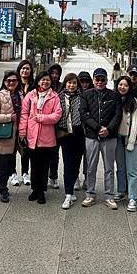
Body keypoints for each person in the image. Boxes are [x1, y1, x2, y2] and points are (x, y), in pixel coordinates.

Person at [79, 67, 122, 210]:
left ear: (106, 80)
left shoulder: (114, 95)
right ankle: (90, 194)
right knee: (91, 167)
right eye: (97, 79)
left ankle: (109, 196)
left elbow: (118, 115)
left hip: (109, 137)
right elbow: (84, 114)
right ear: (93, 80)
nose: (99, 82)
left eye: (102, 79)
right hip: (92, 136)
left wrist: (108, 129)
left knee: (109, 167)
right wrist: (97, 128)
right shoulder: (86, 94)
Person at [19, 71, 62, 205]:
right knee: (34, 164)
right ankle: (34, 189)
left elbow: (57, 115)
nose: (45, 82)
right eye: (42, 80)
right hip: (32, 135)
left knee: (44, 166)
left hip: (47, 137)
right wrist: (22, 132)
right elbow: (24, 114)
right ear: (38, 81)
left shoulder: (54, 97)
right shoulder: (30, 96)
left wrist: (42, 118)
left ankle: (42, 190)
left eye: (47, 80)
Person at [0, 70, 21, 203]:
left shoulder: (21, 96)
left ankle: (4, 184)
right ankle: (3, 189)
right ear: (4, 82)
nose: (11, 83)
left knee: (10, 164)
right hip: (3, 135)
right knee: (2, 164)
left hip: (17, 135)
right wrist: (8, 117)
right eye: (9, 81)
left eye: (14, 80)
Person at [57, 73, 85, 209]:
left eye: (74, 83)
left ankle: (72, 186)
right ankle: (68, 194)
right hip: (65, 133)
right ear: (65, 83)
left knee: (76, 162)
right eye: (69, 82)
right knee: (68, 163)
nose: (71, 85)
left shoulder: (83, 96)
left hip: (79, 133)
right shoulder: (59, 96)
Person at [114, 76, 137, 212]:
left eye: (125, 85)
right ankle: (121, 190)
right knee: (120, 168)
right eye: (120, 85)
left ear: (130, 87)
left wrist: (132, 140)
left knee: (132, 170)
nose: (122, 87)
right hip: (117, 138)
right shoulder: (114, 99)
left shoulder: (135, 102)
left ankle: (132, 197)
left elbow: (136, 123)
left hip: (131, 139)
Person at [8, 60, 34, 186]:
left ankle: (25, 173)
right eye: (23, 68)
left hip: (29, 123)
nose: (25, 71)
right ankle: (12, 173)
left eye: (27, 68)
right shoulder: (13, 84)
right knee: (12, 149)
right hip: (13, 123)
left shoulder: (34, 86)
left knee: (25, 150)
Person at [74, 71, 94, 190]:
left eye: (87, 81)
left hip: (89, 130)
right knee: (76, 156)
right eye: (82, 81)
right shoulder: (75, 94)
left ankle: (87, 178)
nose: (84, 84)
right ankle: (75, 178)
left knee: (88, 157)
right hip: (77, 130)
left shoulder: (93, 93)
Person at [47, 63, 63, 188]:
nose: (54, 76)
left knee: (55, 153)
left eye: (57, 73)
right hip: (46, 125)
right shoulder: (44, 86)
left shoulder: (62, 86)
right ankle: (46, 176)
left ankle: (53, 176)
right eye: (52, 73)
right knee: (47, 152)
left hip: (59, 125)